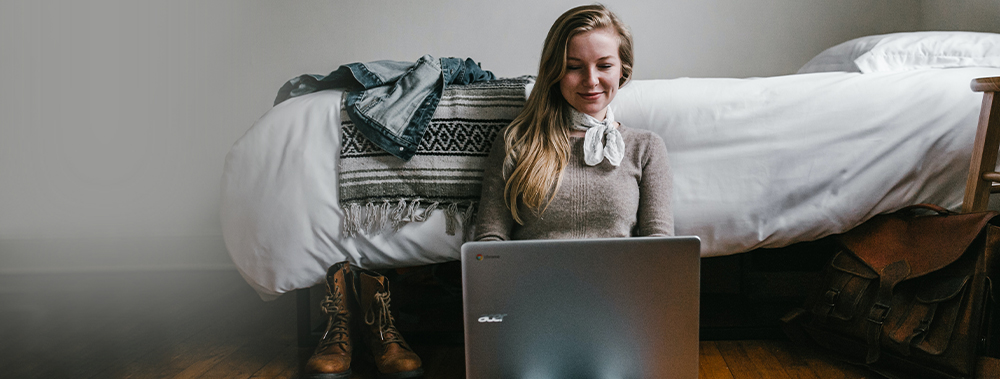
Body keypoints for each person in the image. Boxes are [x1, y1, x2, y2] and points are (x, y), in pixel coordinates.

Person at [475, 4, 674, 241]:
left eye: (604, 66)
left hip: (618, 278)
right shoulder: (516, 142)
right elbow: (489, 241)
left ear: (623, 70)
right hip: (534, 278)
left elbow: (660, 246)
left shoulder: (646, 147)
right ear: (554, 72)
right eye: (574, 67)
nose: (591, 81)